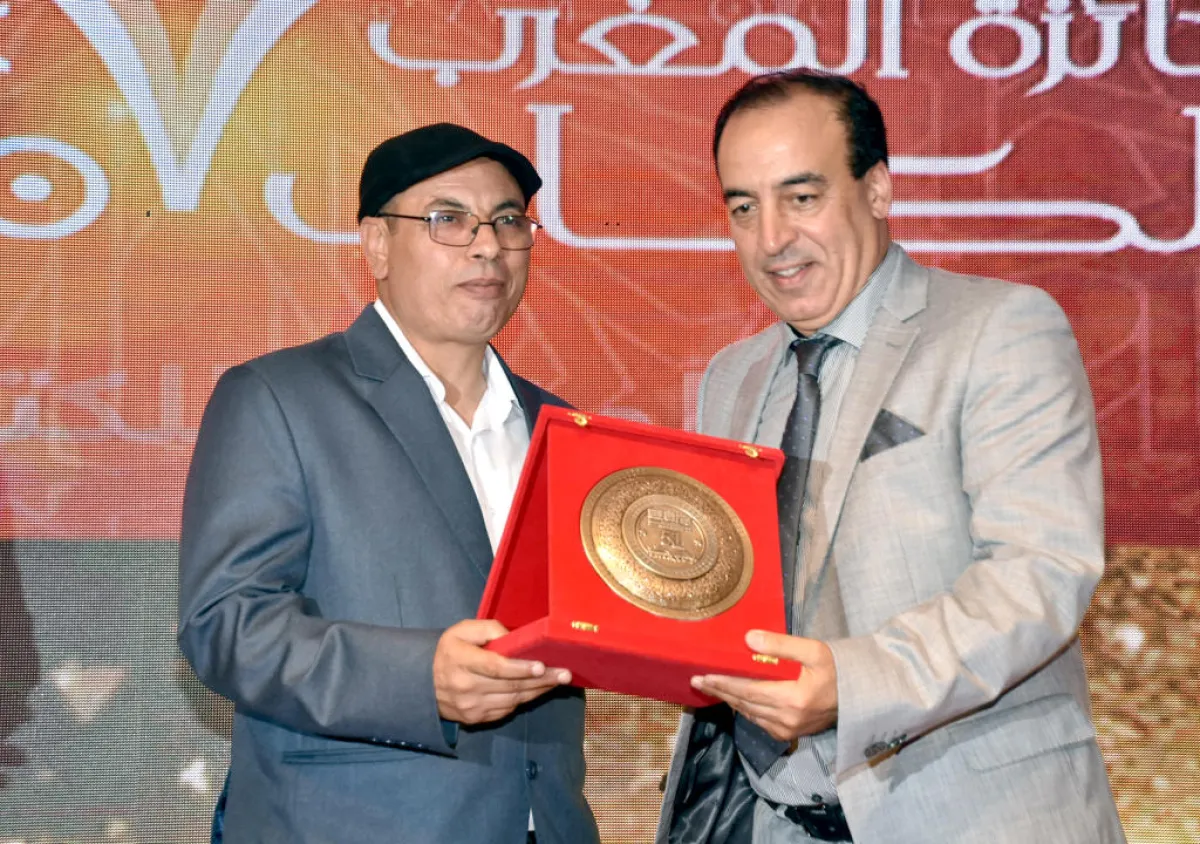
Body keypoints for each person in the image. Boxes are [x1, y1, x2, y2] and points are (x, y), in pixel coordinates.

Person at [656, 71, 1126, 844]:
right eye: (744, 207)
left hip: (972, 818)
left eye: (801, 197)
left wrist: (852, 683)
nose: (771, 239)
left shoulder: (998, 329)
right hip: (766, 819)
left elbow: (1040, 573)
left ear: (876, 188)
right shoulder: (730, 379)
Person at [178, 123, 599, 844]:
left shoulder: (562, 428)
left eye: (508, 221)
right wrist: (419, 678)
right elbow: (225, 623)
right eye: (448, 219)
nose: (487, 246)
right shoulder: (279, 397)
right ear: (376, 244)